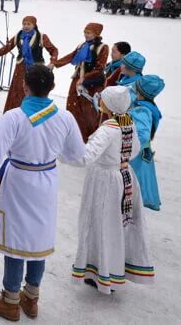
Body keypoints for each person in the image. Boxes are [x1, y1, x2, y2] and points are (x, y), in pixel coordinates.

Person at [0, 64, 85, 322]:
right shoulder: (65, 117)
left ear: (25, 86)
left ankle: (10, 300)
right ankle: (31, 297)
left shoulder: (14, 117)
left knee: (16, 240)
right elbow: (76, 155)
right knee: (38, 239)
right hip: (47, 180)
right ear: (53, 88)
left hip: (19, 181)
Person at [70, 86, 154, 295]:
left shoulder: (108, 130)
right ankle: (113, 269)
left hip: (105, 181)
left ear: (109, 104)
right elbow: (134, 150)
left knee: (101, 225)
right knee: (116, 225)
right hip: (124, 176)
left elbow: (84, 157)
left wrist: (63, 147)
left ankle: (101, 273)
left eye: (103, 98)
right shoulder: (128, 123)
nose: (100, 100)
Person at [54, 23, 109, 142]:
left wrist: (85, 78)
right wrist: (55, 64)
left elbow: (100, 68)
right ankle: (72, 133)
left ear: (96, 34)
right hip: (77, 79)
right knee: (72, 105)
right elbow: (72, 56)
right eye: (85, 32)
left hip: (91, 83)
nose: (86, 35)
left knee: (87, 109)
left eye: (89, 32)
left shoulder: (102, 47)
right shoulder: (82, 45)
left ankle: (86, 136)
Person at [0, 16, 58, 112]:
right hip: (20, 68)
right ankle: (16, 112)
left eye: (28, 24)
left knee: (34, 90)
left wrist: (53, 62)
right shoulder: (19, 35)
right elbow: (7, 47)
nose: (26, 26)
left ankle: (33, 113)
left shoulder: (41, 36)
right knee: (18, 90)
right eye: (24, 24)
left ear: (34, 25)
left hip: (36, 69)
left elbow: (54, 50)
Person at [129, 75, 164, 211]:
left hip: (136, 157)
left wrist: (127, 144)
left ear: (141, 92)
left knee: (132, 191)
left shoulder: (143, 111)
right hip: (139, 154)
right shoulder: (145, 105)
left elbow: (143, 136)